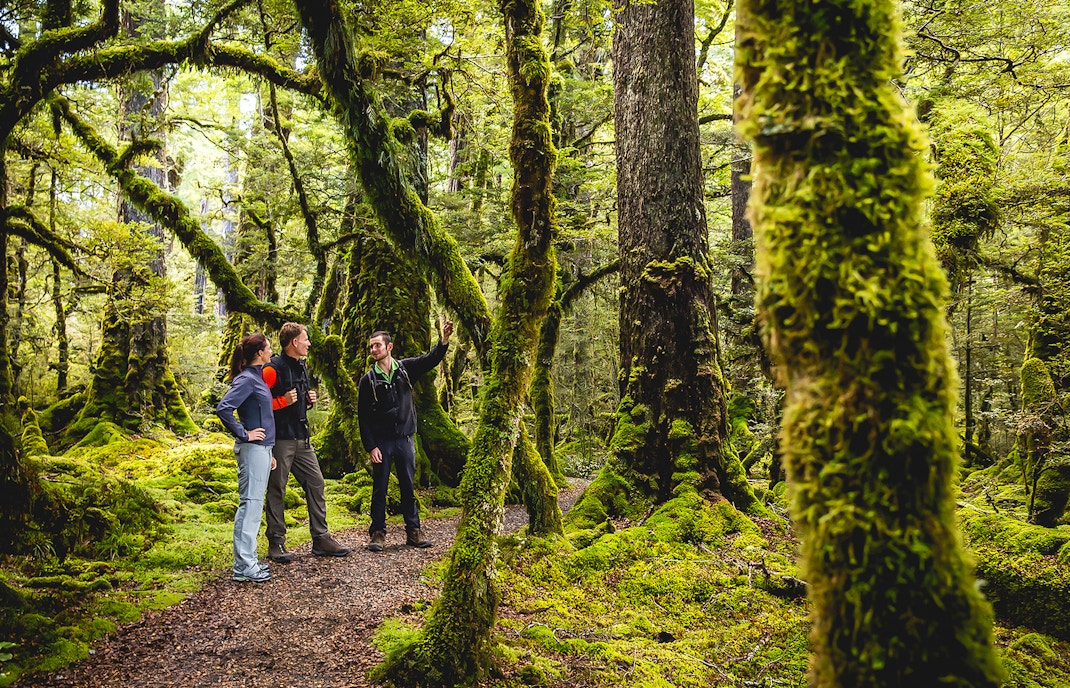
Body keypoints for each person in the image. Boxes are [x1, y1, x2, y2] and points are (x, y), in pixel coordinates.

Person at [358, 321, 454, 551]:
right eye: (371, 347)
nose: (374, 350)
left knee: (408, 487)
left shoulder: (405, 369)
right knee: (380, 488)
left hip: (405, 439)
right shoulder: (368, 380)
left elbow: (430, 360)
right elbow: (363, 417)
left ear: (389, 347)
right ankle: (377, 533)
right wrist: (371, 447)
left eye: (378, 346)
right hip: (382, 443)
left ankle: (414, 531)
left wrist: (444, 340)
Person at [262, 322, 351, 562]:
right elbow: (257, 404)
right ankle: (276, 543)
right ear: (294, 342)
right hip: (280, 440)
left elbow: (298, 398)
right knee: (277, 489)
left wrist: (308, 400)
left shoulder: (302, 366)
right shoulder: (272, 369)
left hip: (302, 439)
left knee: (316, 483)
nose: (309, 343)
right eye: (305, 339)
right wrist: (281, 401)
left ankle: (321, 538)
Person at [216, 333, 277, 583]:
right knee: (250, 504)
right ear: (260, 353)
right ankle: (243, 564)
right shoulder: (247, 380)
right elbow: (224, 408)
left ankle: (247, 561)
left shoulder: (257, 378)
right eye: (269, 348)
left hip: (262, 451)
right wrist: (244, 434)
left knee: (254, 504)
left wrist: (269, 451)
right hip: (252, 450)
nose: (271, 351)